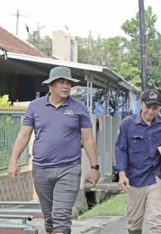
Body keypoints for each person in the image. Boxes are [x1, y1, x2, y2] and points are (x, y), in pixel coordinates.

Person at [8, 66, 100, 234]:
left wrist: (94, 168)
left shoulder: (79, 108)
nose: (66, 87)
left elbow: (88, 139)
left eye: (69, 83)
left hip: (69, 169)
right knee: (49, 219)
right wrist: (13, 160)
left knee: (61, 218)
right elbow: (23, 135)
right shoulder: (35, 107)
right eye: (61, 82)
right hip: (41, 169)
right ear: (50, 85)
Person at [115, 88, 161, 234]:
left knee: (158, 220)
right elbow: (121, 149)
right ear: (141, 104)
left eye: (155, 108)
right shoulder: (127, 124)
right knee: (134, 222)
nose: (151, 111)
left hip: (156, 176)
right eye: (148, 107)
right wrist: (122, 174)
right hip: (134, 177)